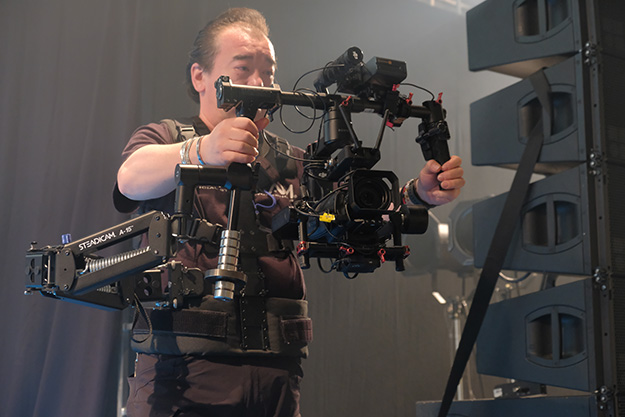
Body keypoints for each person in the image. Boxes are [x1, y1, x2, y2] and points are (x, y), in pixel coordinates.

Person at [114, 7, 465, 417]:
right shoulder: (170, 137)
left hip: (277, 372)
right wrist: (202, 150)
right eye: (243, 68)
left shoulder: (293, 160)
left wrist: (418, 194)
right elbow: (129, 178)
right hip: (183, 374)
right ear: (200, 77)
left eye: (269, 72)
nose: (259, 83)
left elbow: (355, 216)